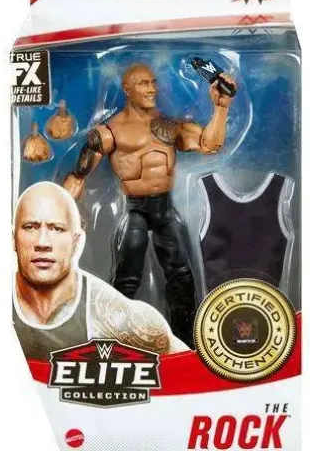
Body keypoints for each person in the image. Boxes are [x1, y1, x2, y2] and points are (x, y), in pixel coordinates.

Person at [63, 63, 237, 348]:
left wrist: (220, 108)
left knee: (182, 277)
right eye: (143, 83)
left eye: (154, 82)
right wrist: (62, 218)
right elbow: (78, 176)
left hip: (165, 211)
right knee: (126, 279)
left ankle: (187, 344)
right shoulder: (110, 131)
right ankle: (117, 343)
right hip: (135, 211)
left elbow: (209, 145)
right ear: (127, 89)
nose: (152, 88)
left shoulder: (169, 126)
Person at [13, 181, 188, 361]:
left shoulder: (115, 317)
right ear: (12, 238)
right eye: (30, 227)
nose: (43, 242)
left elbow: (190, 365)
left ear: (76, 240)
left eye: (57, 229)